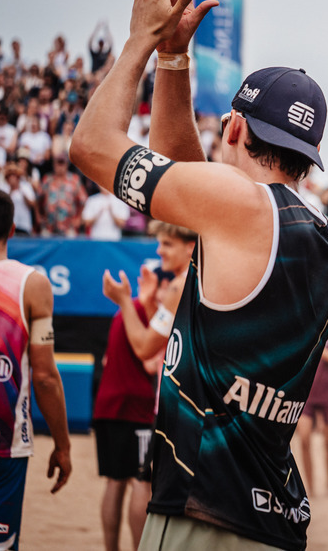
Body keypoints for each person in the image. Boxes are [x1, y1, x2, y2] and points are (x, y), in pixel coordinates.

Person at [69, 0, 328, 550]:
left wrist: (141, 40)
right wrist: (175, 59)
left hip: (205, 512)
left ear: (236, 129)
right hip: (269, 515)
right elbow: (188, 187)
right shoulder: (318, 232)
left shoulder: (239, 205)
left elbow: (90, 145)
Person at [0, 187, 72, 550]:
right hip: (0, 448)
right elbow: (44, 377)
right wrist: (63, 446)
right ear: (13, 230)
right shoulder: (33, 284)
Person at [93, 220, 196, 551]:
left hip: (170, 406)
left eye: (166, 243)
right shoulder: (203, 283)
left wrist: (124, 301)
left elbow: (145, 348)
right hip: (189, 405)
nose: (158, 250)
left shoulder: (181, 285)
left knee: (142, 481)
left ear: (190, 247)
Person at [295, 319, 328, 497]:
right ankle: (310, 489)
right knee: (304, 439)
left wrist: (315, 344)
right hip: (307, 391)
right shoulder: (306, 322)